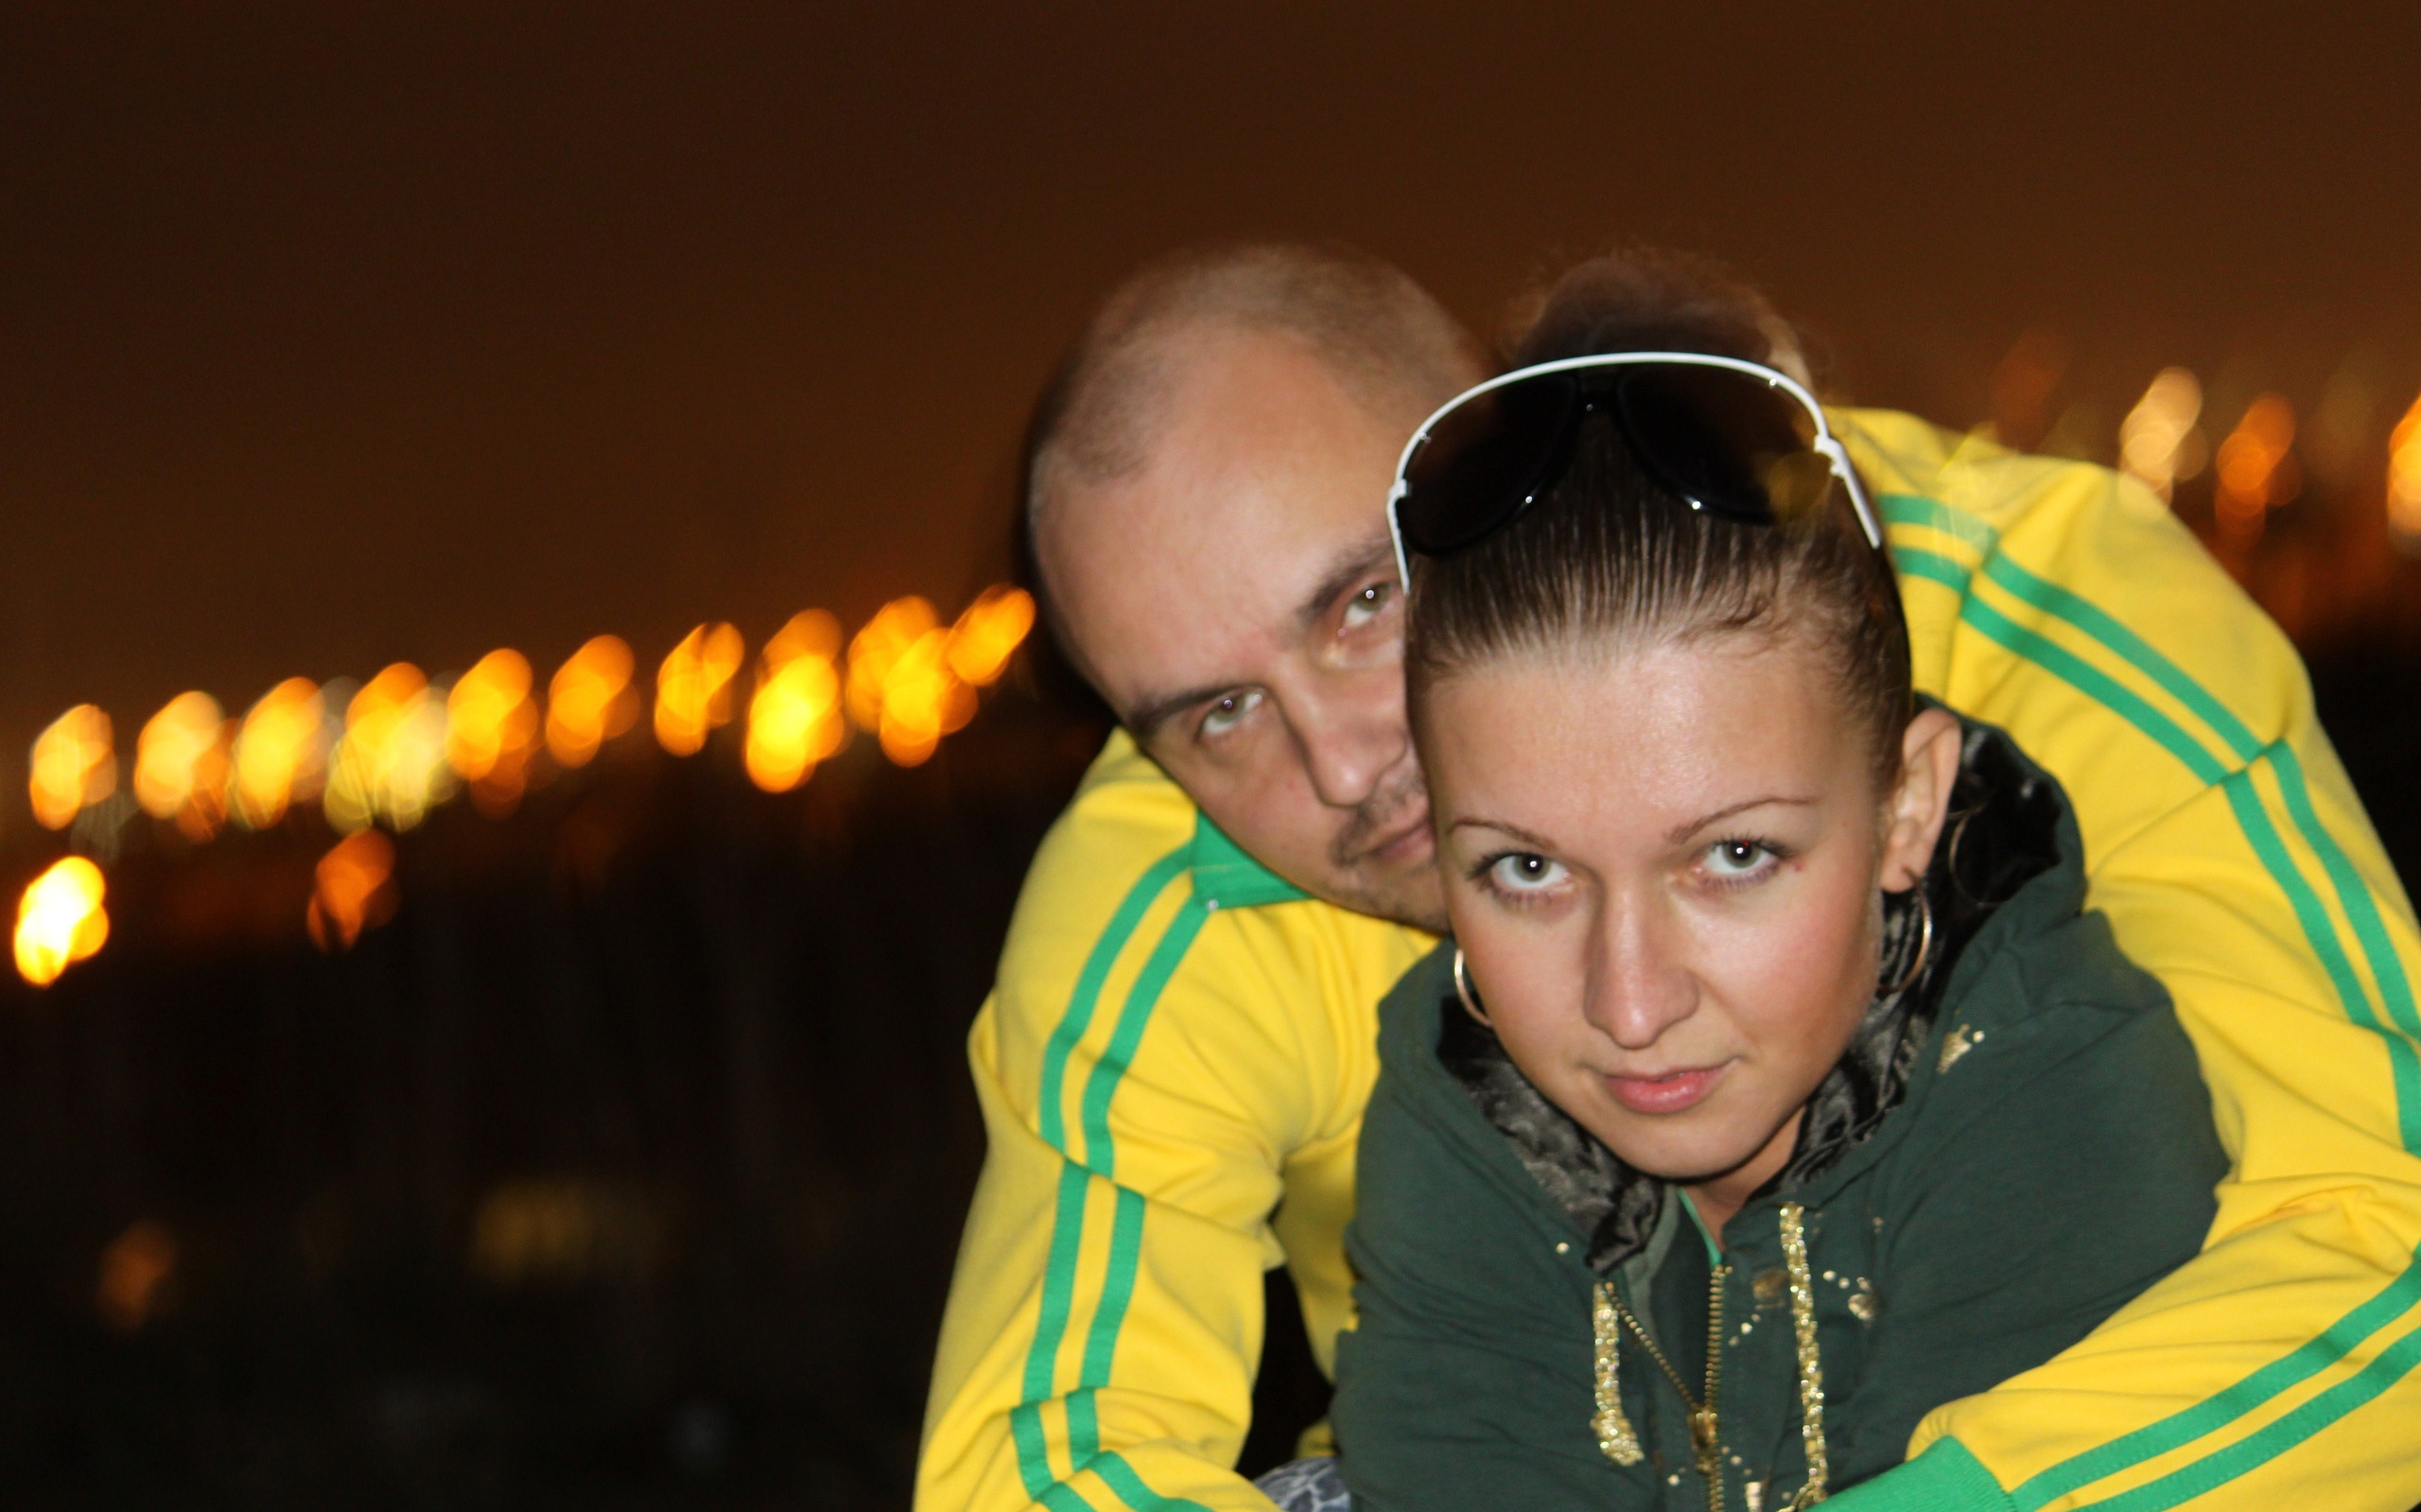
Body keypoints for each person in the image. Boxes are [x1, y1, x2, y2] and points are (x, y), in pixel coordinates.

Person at [914, 243, 2421, 1512]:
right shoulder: (1171, 886)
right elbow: (1040, 1465)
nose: (1348, 764)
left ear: (1510, 441)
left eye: (1363, 600)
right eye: (1217, 712)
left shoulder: (2040, 607)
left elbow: (2387, 1245)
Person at [1330, 280, 2230, 1511]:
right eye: (1527, 870)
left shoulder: (2054, 1095)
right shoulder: (1461, 1088)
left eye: (1735, 856)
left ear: (1907, 807)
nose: (1629, 1005)